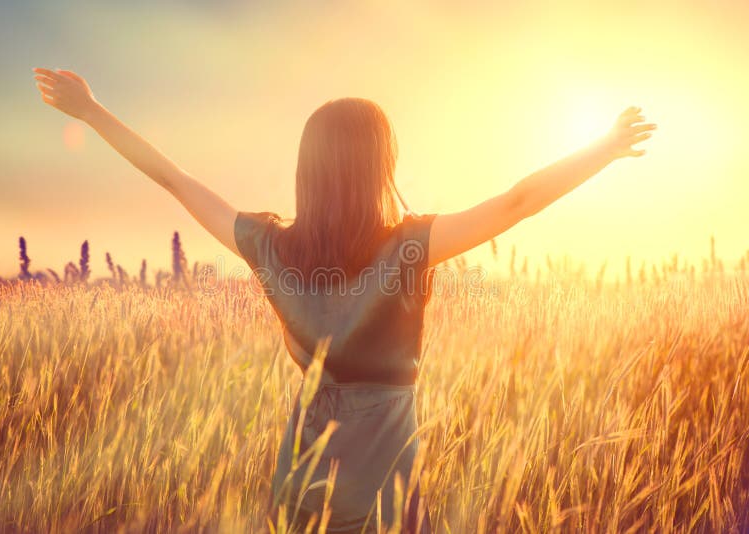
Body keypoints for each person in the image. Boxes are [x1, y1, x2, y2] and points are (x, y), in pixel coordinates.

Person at [32, 67, 655, 532]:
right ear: (379, 165)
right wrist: (600, 149)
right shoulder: (410, 248)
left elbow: (174, 180)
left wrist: (92, 112)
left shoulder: (269, 247)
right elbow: (518, 202)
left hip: (297, 478)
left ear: (309, 168)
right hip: (380, 491)